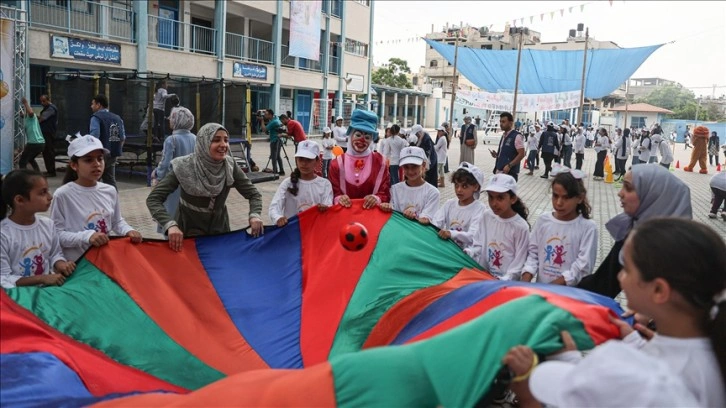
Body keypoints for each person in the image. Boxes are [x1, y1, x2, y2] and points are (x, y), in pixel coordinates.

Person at [507, 218, 726, 408]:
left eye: (627, 269)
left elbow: (608, 389)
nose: (620, 277)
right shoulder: (711, 356)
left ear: (659, 290)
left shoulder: (635, 374)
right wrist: (636, 343)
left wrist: (527, 393)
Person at [578, 164, 692, 298]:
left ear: (653, 195)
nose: (620, 193)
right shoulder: (635, 231)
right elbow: (603, 283)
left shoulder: (681, 252)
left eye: (628, 188)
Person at [146, 123, 263, 251]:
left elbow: (254, 194)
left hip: (220, 232)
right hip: (187, 232)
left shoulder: (229, 165)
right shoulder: (184, 166)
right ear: (203, 142)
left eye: (226, 140)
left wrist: (255, 215)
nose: (223, 145)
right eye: (216, 140)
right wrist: (169, 225)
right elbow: (154, 199)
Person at [50, 135, 142, 262]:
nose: (97, 164)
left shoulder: (109, 191)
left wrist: (128, 230)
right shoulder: (63, 195)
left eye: (100, 159)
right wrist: (87, 237)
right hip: (76, 266)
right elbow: (57, 235)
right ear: (74, 165)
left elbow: (116, 221)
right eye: (88, 160)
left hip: (103, 263)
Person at [522, 166, 597, 286]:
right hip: (542, 294)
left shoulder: (588, 227)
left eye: (566, 198)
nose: (559, 203)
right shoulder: (543, 220)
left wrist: (552, 287)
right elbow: (533, 253)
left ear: (580, 198)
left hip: (568, 297)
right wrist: (526, 278)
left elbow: (583, 266)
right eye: (555, 196)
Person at [1, 170, 75, 289]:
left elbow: (55, 254)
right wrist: (41, 278)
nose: (50, 197)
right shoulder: (3, 234)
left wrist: (60, 263)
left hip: (46, 294)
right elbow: (3, 278)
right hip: (18, 300)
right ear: (19, 200)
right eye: (43, 193)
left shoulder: (48, 225)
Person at [470, 174, 529, 280]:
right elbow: (478, 244)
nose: (494, 203)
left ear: (513, 199)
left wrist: (504, 280)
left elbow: (519, 263)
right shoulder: (486, 216)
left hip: (507, 286)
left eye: (500, 198)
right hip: (485, 279)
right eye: (491, 197)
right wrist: (469, 252)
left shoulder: (520, 227)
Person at [329, 109, 390, 209]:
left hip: (372, 219)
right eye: (358, 135)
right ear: (351, 134)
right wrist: (339, 198)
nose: (362, 140)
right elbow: (331, 193)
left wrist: (377, 198)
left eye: (367, 137)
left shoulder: (380, 162)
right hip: (345, 219)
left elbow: (385, 192)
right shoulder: (336, 164)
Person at [151, 107, 196, 234]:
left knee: (170, 215)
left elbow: (165, 164)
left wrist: (157, 176)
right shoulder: (195, 138)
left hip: (174, 186)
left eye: (172, 117)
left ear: (178, 120)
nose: (169, 120)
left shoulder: (171, 140)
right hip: (191, 184)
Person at [268, 140, 333, 226]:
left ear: (317, 161)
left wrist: (326, 208)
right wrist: (278, 218)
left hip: (315, 230)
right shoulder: (288, 183)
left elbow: (328, 206)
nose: (304, 163)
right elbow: (274, 207)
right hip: (292, 232)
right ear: (296, 160)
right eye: (300, 159)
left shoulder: (325, 184)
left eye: (309, 160)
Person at [432, 162, 485, 260]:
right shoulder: (449, 204)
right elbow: (436, 223)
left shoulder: (480, 209)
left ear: (476, 187)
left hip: (467, 258)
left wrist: (451, 233)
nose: (459, 190)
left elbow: (473, 235)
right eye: (456, 185)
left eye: (464, 186)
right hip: (448, 254)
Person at [380, 146, 439, 224]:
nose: (410, 171)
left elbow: (427, 217)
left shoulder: (433, 192)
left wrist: (418, 217)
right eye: (406, 167)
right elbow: (392, 212)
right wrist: (386, 207)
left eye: (415, 166)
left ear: (423, 165)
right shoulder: (395, 189)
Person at [89, 94, 126, 189]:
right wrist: (117, 150)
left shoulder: (96, 117)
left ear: (98, 105)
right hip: (113, 153)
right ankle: (114, 201)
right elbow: (122, 138)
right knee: (110, 179)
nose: (91, 106)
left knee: (93, 179)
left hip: (100, 154)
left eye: (93, 104)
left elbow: (95, 135)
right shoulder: (117, 118)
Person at [490, 112, 525, 181]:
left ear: (510, 123)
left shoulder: (516, 136)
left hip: (509, 173)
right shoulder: (504, 136)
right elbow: (507, 153)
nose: (501, 124)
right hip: (499, 170)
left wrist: (509, 165)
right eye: (500, 121)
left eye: (503, 122)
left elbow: (522, 154)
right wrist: (497, 155)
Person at [18, 98, 46, 172]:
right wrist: (22, 114)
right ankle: (38, 174)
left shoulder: (32, 117)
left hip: (34, 143)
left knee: (22, 162)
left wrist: (26, 103)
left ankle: (24, 177)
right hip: (40, 143)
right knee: (30, 159)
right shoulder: (27, 118)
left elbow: (30, 113)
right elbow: (25, 115)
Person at [38, 95, 58, 177]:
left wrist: (33, 118)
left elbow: (42, 118)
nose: (42, 103)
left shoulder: (51, 108)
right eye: (41, 101)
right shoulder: (48, 108)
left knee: (49, 152)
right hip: (46, 132)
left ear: (48, 100)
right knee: (46, 152)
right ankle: (49, 170)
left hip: (48, 133)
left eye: (43, 101)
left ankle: (51, 171)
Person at [263, 109, 286, 176]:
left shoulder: (274, 122)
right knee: (278, 156)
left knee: (274, 157)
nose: (265, 115)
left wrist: (261, 120)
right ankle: (281, 171)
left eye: (266, 114)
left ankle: (275, 172)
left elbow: (264, 129)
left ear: (270, 115)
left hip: (274, 141)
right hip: (278, 140)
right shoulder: (276, 118)